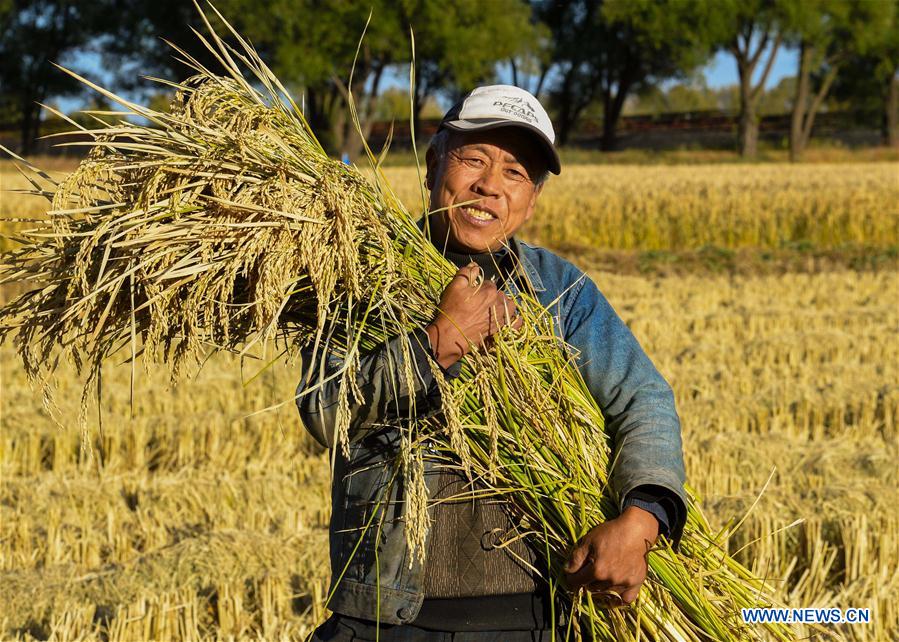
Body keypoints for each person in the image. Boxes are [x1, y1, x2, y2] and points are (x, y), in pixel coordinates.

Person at [298, 85, 687, 641]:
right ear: (434, 164)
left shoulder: (559, 292)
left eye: (515, 172)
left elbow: (642, 399)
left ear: (532, 199)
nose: (489, 186)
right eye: (474, 158)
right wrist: (438, 340)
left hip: (531, 617)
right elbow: (325, 412)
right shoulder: (362, 280)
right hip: (384, 619)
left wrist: (641, 520)